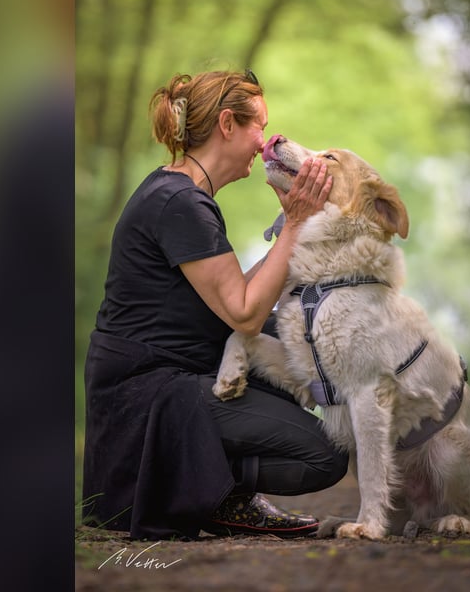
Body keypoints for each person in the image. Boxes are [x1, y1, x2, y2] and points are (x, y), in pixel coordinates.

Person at [81, 69, 349, 540]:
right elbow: (242, 311)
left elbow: (231, 295)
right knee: (324, 457)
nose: (262, 141)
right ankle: (212, 493)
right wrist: (294, 226)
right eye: (258, 127)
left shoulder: (182, 194)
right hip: (152, 398)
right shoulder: (179, 202)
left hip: (176, 376)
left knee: (299, 341)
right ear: (228, 124)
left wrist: (295, 224)